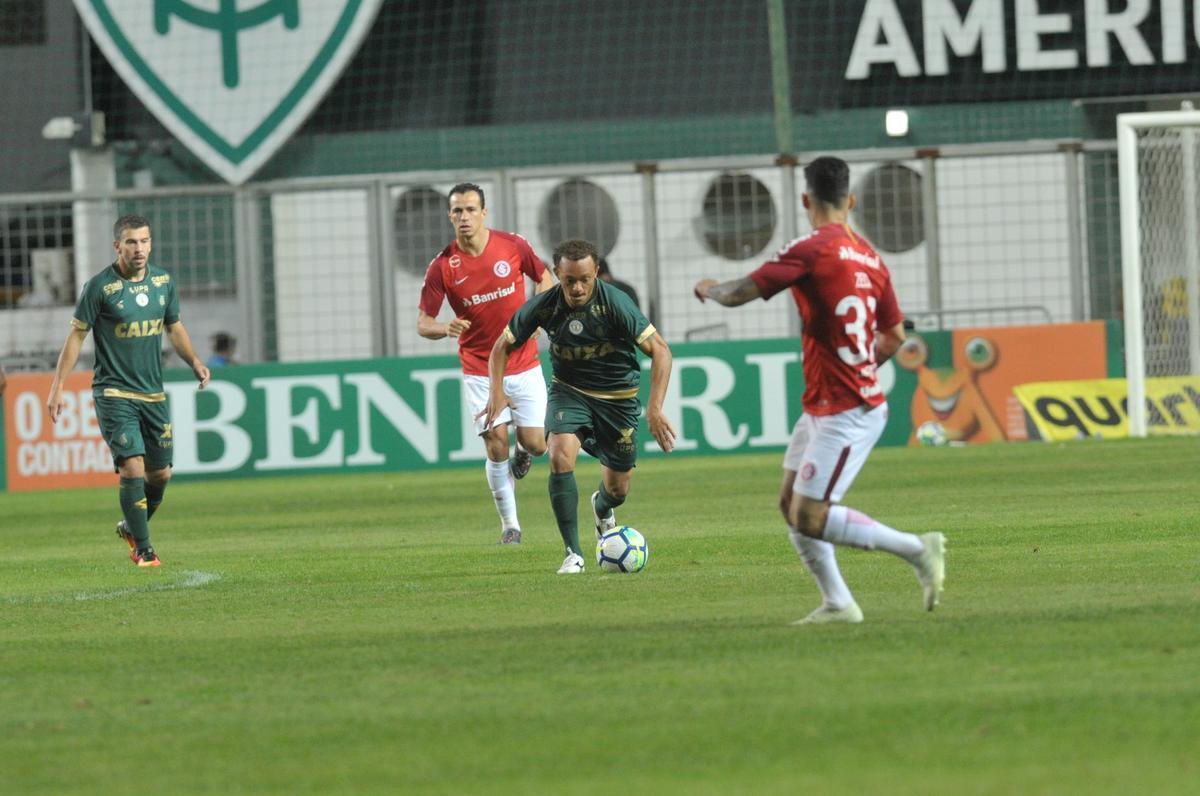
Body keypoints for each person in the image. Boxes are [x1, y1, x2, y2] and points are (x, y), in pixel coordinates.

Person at [693, 155, 945, 624]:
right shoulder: (872, 258)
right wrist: (861, 365)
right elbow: (894, 337)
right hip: (832, 403)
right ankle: (838, 603)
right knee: (790, 505)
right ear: (850, 201)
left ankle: (917, 550)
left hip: (848, 409)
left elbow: (737, 293)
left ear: (806, 199)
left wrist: (708, 288)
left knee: (810, 515)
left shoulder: (809, 248)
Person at [481, 238, 676, 574]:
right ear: (557, 274)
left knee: (618, 488)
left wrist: (655, 409)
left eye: (585, 279)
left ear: (596, 272)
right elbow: (501, 347)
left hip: (618, 401)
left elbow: (661, 350)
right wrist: (496, 392)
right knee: (558, 455)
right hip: (569, 392)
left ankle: (602, 509)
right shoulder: (544, 306)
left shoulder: (616, 303)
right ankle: (573, 554)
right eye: (569, 280)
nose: (577, 287)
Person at [46, 214, 210, 567]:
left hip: (152, 393)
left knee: (161, 474)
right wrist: (57, 387)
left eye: (145, 241)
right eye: (132, 242)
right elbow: (76, 336)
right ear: (117, 245)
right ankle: (144, 548)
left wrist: (194, 360)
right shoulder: (99, 288)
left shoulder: (164, 281)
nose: (140, 249)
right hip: (113, 393)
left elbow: (174, 326)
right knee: (132, 468)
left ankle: (130, 527)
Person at [418, 182, 556, 545]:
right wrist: (444, 327)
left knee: (538, 444)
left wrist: (538, 316)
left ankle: (524, 452)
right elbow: (422, 323)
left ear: (484, 213)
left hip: (524, 362)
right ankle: (510, 525)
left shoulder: (513, 245)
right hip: (479, 368)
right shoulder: (443, 266)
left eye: (470, 210)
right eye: (457, 211)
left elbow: (545, 278)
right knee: (496, 445)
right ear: (449, 216)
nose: (464, 217)